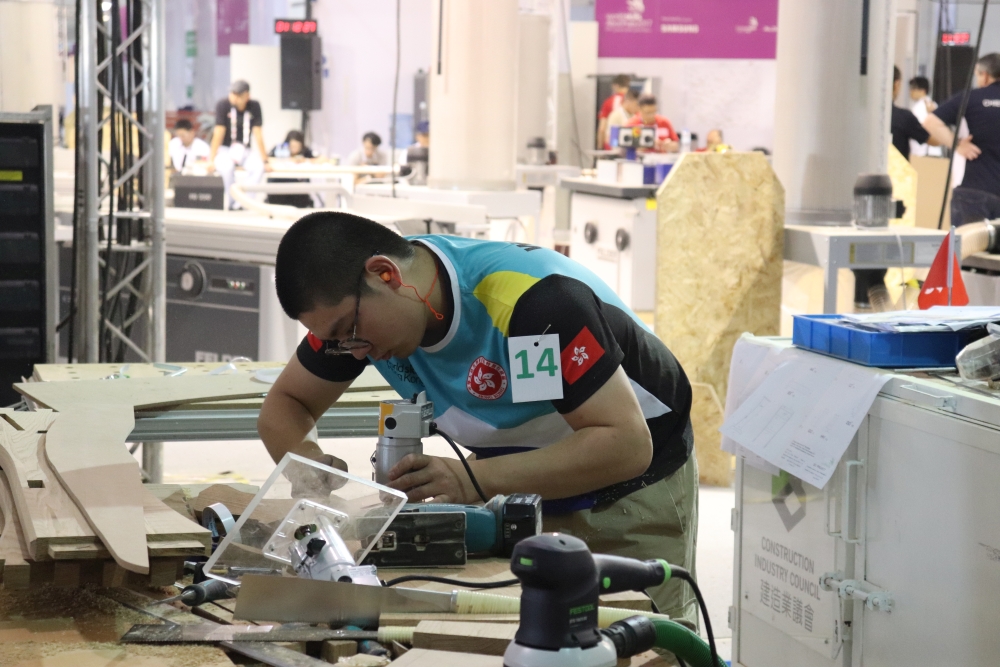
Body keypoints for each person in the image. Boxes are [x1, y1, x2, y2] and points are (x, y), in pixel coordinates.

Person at [260, 212, 700, 626]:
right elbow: (284, 406)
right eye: (337, 342)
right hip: (516, 482)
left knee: (638, 638)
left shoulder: (529, 306)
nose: (355, 352)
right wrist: (308, 467)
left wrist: (472, 479)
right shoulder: (362, 322)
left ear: (386, 274)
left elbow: (624, 444)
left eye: (349, 332)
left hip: (627, 487)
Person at [854, 66, 934, 309]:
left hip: (862, 202)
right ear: (896, 85)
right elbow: (932, 138)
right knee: (891, 257)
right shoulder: (903, 117)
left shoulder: (858, 115)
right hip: (896, 199)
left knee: (865, 257)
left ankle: (869, 303)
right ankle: (883, 304)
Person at [924, 53, 1000, 226]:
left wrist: (957, 144)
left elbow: (931, 122)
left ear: (985, 75)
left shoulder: (970, 98)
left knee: (967, 249)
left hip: (972, 190)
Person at [208, 80, 269, 210]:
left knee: (258, 167)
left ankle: (245, 202)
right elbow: (218, 132)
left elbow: (258, 134)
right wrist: (211, 159)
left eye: (238, 94)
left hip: (244, 150)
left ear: (247, 95)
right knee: (227, 168)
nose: (234, 97)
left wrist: (265, 160)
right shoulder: (223, 105)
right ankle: (232, 202)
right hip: (225, 150)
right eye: (232, 93)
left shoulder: (254, 106)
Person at [908, 76, 941, 158]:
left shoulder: (919, 107)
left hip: (923, 153)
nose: (911, 91)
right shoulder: (934, 104)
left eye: (913, 88)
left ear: (923, 90)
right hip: (934, 152)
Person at [597, 74, 631, 150]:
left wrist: (599, 148)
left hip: (611, 144)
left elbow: (602, 128)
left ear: (615, 85)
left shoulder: (609, 102)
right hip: (629, 143)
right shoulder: (633, 103)